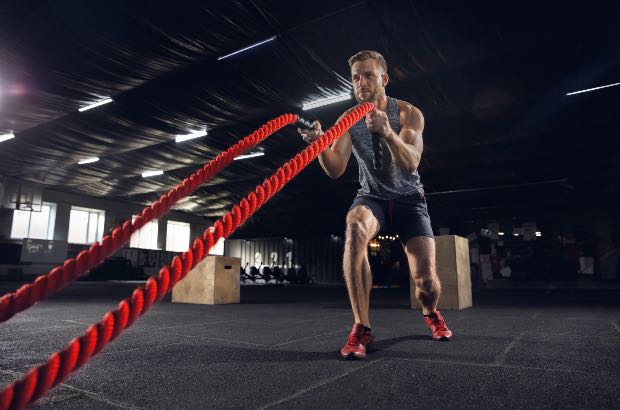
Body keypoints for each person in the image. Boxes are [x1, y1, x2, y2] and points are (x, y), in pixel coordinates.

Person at [298, 50, 452, 359]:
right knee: (354, 225)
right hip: (372, 198)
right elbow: (335, 169)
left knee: (426, 283)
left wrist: (387, 132)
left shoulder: (408, 113)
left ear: (384, 79)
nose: (361, 82)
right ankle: (361, 327)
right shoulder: (348, 120)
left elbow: (411, 163)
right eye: (355, 77)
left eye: (368, 75)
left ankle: (431, 312)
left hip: (410, 200)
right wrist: (317, 144)